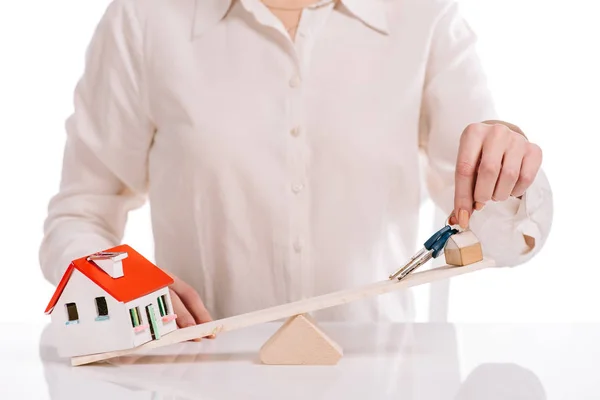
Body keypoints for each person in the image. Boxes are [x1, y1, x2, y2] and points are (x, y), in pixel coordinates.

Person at [39, 0, 553, 331]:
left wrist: (510, 169)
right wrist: (127, 294)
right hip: (203, 384)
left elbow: (499, 231)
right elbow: (80, 215)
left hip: (379, 385)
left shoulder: (426, 18)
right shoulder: (143, 20)